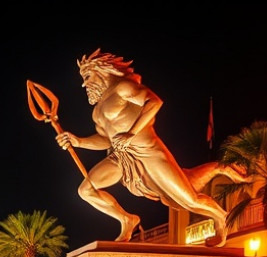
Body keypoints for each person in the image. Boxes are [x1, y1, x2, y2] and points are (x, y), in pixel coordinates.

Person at [54, 49, 248, 246]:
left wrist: (131, 133)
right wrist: (79, 141)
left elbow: (154, 102)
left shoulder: (123, 88)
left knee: (189, 200)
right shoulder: (97, 111)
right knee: (86, 190)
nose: (84, 83)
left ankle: (220, 216)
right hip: (121, 158)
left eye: (87, 76)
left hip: (148, 153)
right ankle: (126, 219)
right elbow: (107, 139)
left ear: (102, 71)